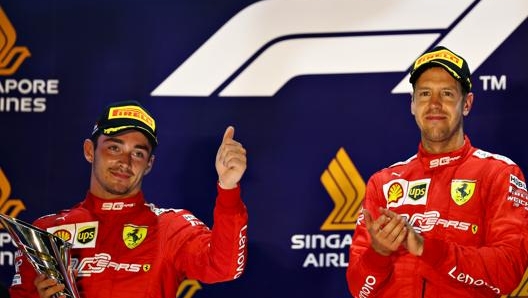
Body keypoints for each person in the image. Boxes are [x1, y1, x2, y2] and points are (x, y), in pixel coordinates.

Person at [9, 100, 248, 298]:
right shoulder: (46, 233)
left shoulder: (171, 227)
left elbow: (224, 267)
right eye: (114, 148)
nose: (125, 161)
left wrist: (228, 188)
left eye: (138, 153)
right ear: (90, 151)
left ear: (149, 165)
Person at [346, 46, 528, 297]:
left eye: (446, 93)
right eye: (424, 94)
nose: (434, 104)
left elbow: (508, 272)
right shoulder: (384, 182)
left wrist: (426, 248)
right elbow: (358, 290)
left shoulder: (498, 174)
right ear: (412, 104)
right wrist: (378, 253)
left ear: (467, 103)